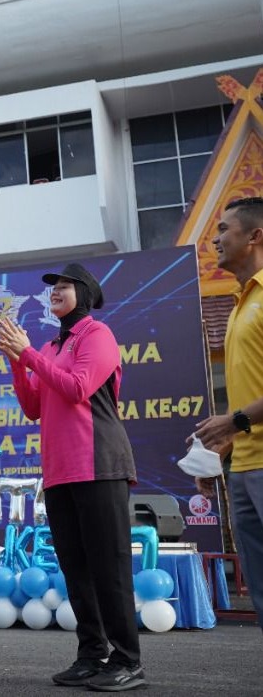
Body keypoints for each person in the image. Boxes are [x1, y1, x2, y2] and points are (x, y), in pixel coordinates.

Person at [0, 262, 143, 693]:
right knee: (77, 570)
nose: (54, 291)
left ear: (86, 293)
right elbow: (34, 408)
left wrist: (29, 355)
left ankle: (129, 660)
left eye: (63, 286)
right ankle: (92, 654)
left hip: (98, 464)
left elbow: (78, 388)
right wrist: (18, 363)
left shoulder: (97, 335)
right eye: (52, 287)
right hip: (59, 472)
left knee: (108, 567)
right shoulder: (52, 344)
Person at [193, 197, 263, 631]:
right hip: (245, 468)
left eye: (224, 229)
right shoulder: (242, 303)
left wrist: (233, 422)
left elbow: (242, 410)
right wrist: (222, 446)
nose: (215, 239)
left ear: (255, 236)